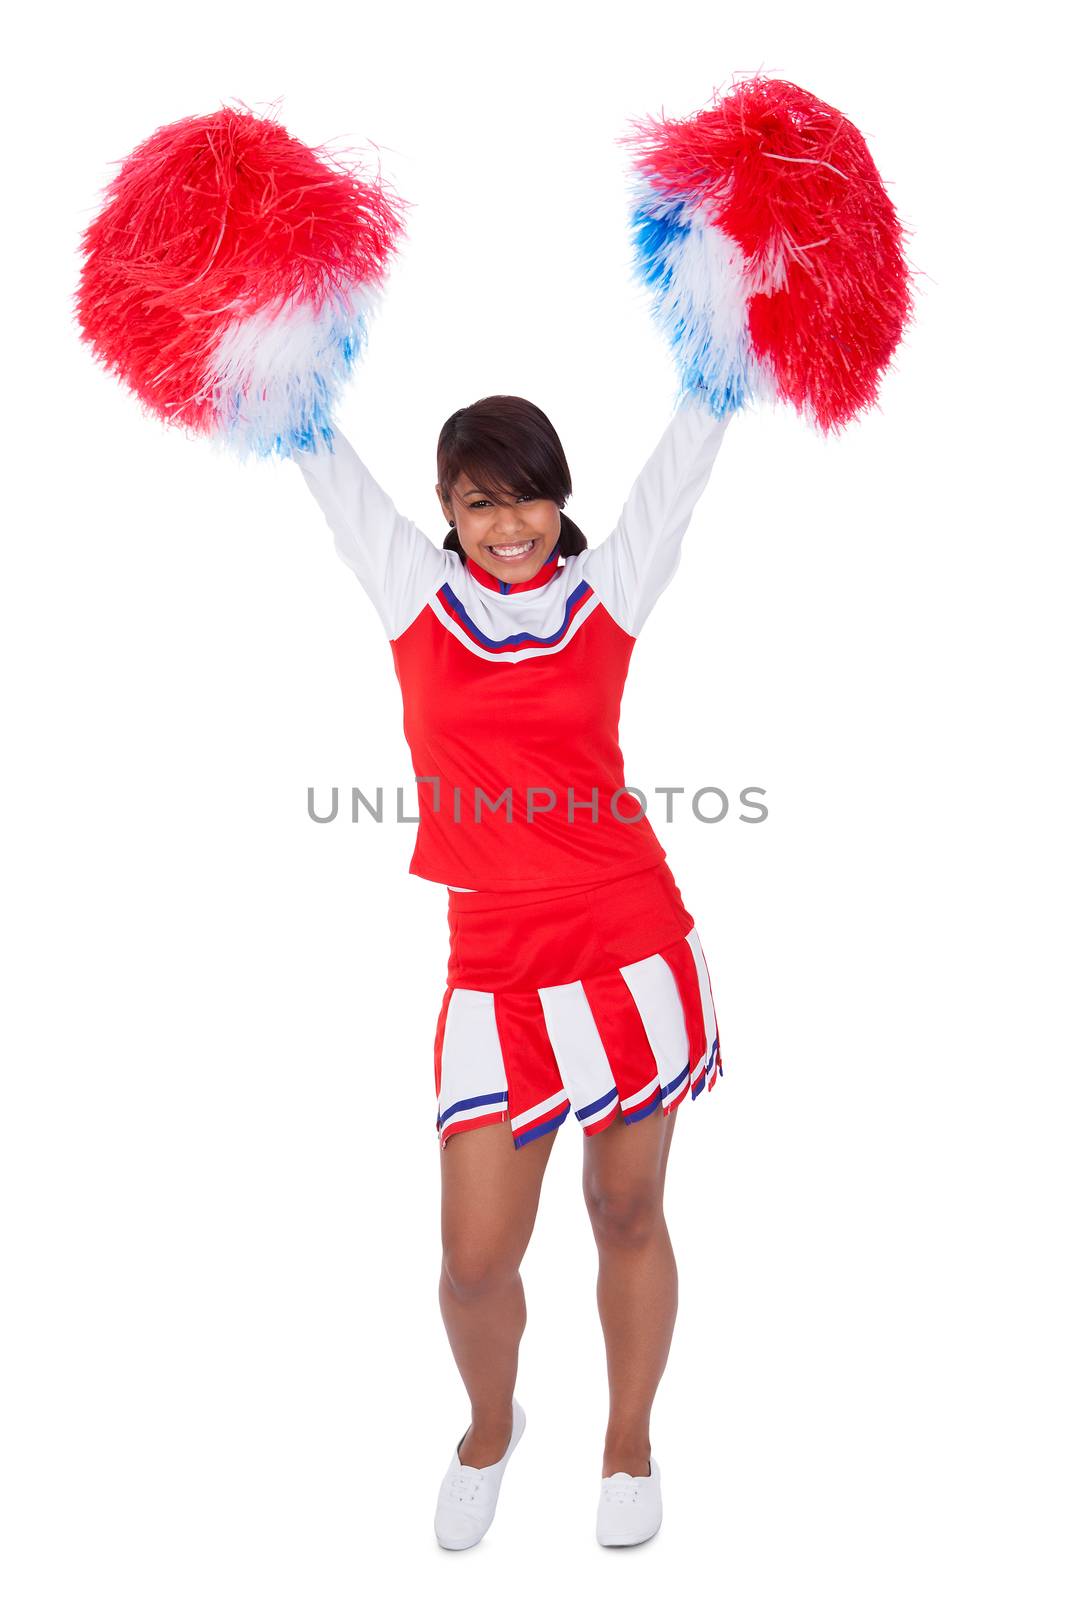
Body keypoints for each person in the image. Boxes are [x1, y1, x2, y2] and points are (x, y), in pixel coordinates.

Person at [294, 390, 731, 1549]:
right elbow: (324, 471)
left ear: (559, 499)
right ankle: (490, 1426)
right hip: (493, 967)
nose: (508, 523)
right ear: (444, 507)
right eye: (480, 500)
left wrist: (716, 376)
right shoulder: (415, 596)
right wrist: (279, 385)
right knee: (474, 1263)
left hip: (629, 940)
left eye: (529, 495)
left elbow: (676, 477)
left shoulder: (606, 593)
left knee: (625, 1207)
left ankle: (627, 1439)